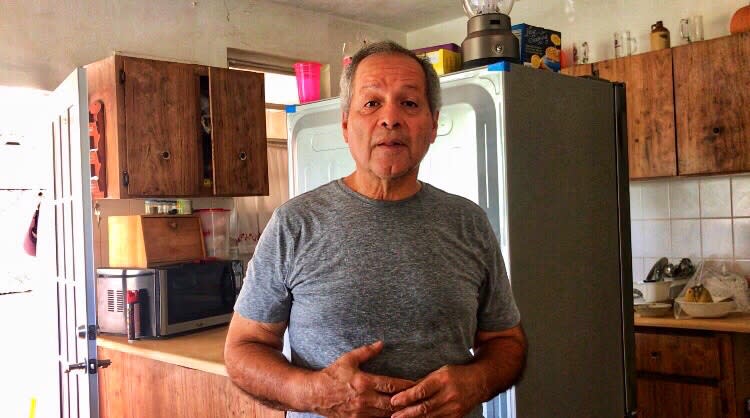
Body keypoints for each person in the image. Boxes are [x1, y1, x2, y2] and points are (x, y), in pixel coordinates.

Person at [225, 40, 527, 418]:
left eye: (409, 103)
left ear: (433, 124)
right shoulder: (294, 224)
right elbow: (242, 349)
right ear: (347, 126)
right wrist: (313, 393)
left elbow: (506, 342)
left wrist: (476, 381)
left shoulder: (468, 222)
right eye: (371, 103)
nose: (390, 118)